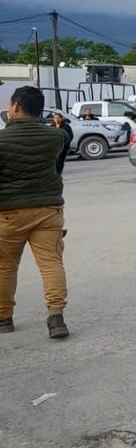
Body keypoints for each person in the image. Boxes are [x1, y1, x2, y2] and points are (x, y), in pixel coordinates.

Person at [0, 87, 70, 338]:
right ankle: (56, 317)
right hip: (48, 209)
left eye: (9, 104)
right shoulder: (55, 137)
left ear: (16, 106)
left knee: (5, 266)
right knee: (51, 263)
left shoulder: (2, 140)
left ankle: (4, 318)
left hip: (9, 212)